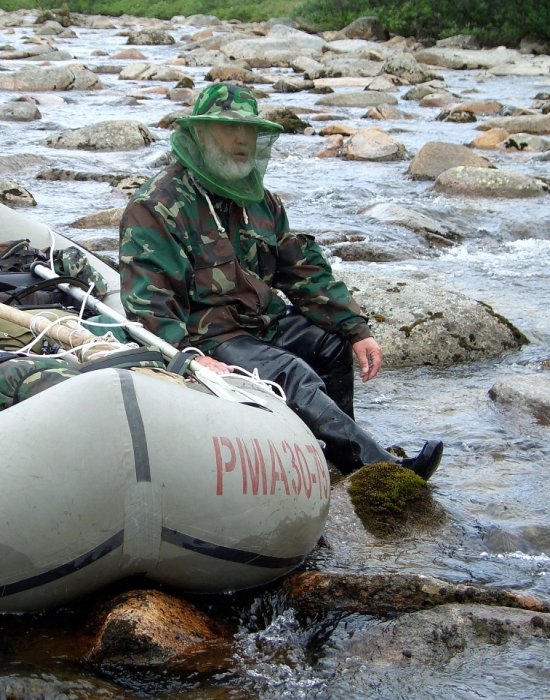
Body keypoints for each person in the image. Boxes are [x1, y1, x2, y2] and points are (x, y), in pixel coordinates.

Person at [118, 83, 442, 480]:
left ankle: (338, 451)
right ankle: (379, 469)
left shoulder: (260, 200)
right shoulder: (156, 205)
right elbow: (149, 302)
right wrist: (187, 355)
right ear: (200, 136)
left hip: (260, 324)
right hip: (207, 337)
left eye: (250, 131)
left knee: (330, 344)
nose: (242, 140)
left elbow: (303, 269)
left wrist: (356, 328)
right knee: (292, 373)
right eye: (228, 130)